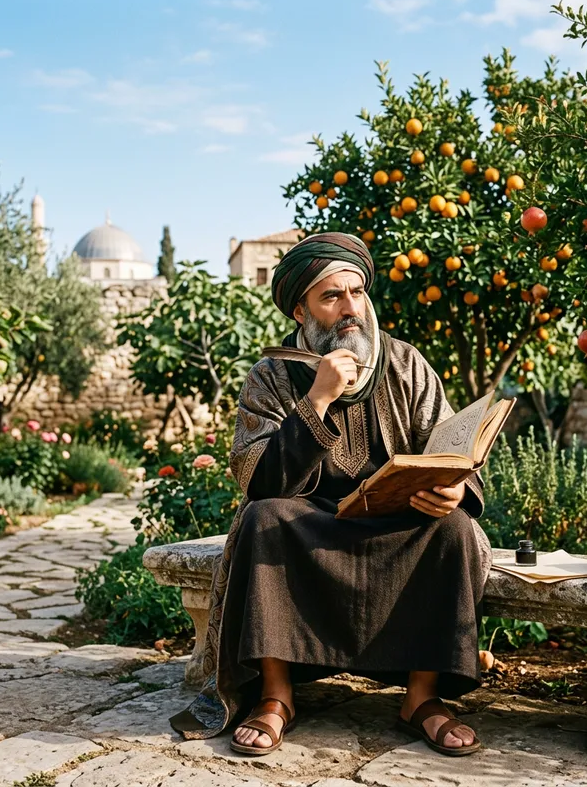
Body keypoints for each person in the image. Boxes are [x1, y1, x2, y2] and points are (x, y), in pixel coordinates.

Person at [170, 231, 492, 757]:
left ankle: (422, 698)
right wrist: (317, 398)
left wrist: (453, 487)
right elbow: (255, 476)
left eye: (357, 292)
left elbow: (451, 444)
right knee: (262, 519)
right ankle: (276, 697)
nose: (350, 309)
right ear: (301, 310)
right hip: (308, 525)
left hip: (397, 523)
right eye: (331, 296)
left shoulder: (406, 363)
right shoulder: (271, 376)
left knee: (455, 527)